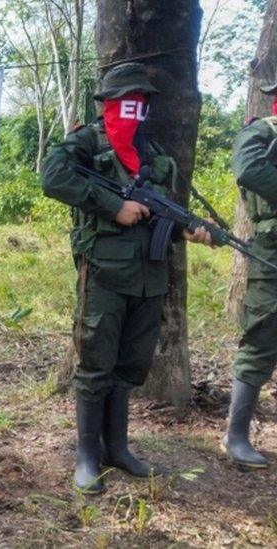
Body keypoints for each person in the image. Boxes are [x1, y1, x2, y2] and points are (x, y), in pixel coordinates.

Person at [41, 62, 213, 493]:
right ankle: (86, 456)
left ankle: (117, 448)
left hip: (149, 278)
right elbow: (52, 177)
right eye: (124, 102)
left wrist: (190, 229)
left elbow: (163, 215)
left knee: (132, 364)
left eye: (140, 102)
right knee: (95, 361)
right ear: (106, 104)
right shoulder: (85, 141)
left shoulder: (153, 155)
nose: (132, 109)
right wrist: (112, 205)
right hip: (103, 271)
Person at [222, 80, 277, 469]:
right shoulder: (260, 132)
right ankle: (236, 435)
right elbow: (248, 168)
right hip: (272, 253)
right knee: (261, 335)